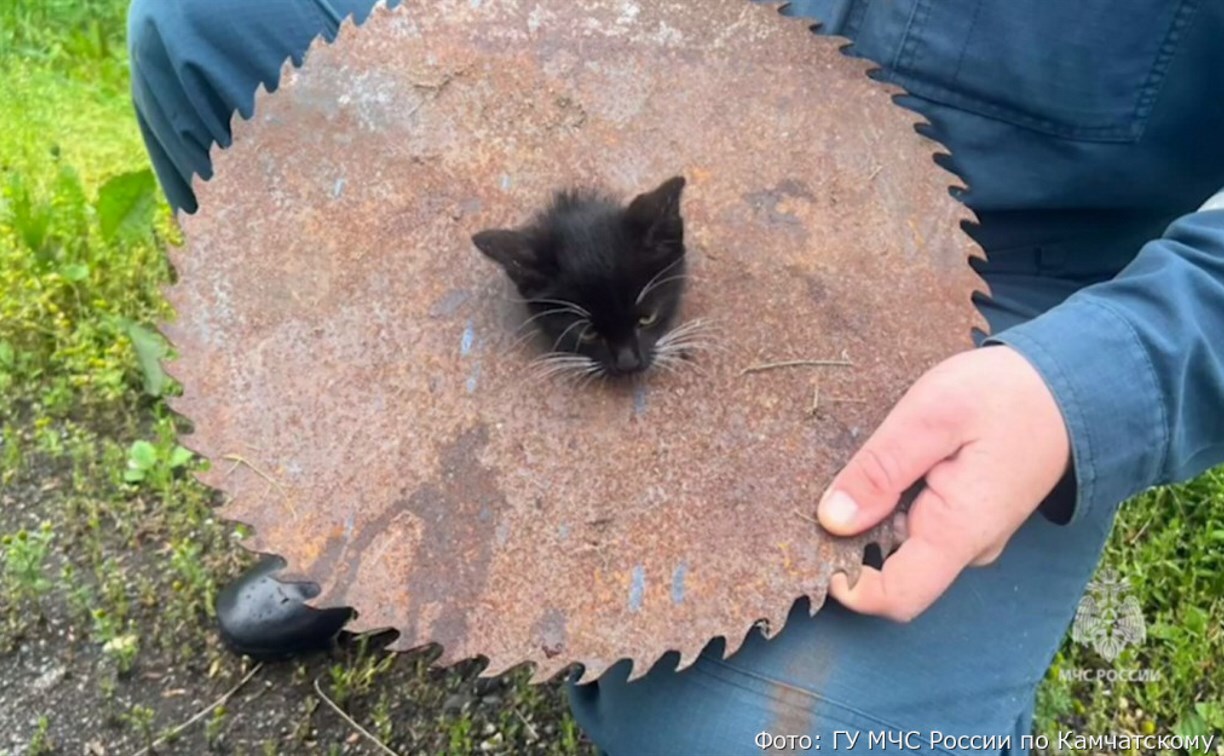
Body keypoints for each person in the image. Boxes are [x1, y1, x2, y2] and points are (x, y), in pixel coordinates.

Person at [127, 0, 1224, 753]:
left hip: (1009, 290)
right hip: (653, 112)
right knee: (209, 22)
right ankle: (383, 533)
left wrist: (1084, 385)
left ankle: (623, 629)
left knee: (771, 738)